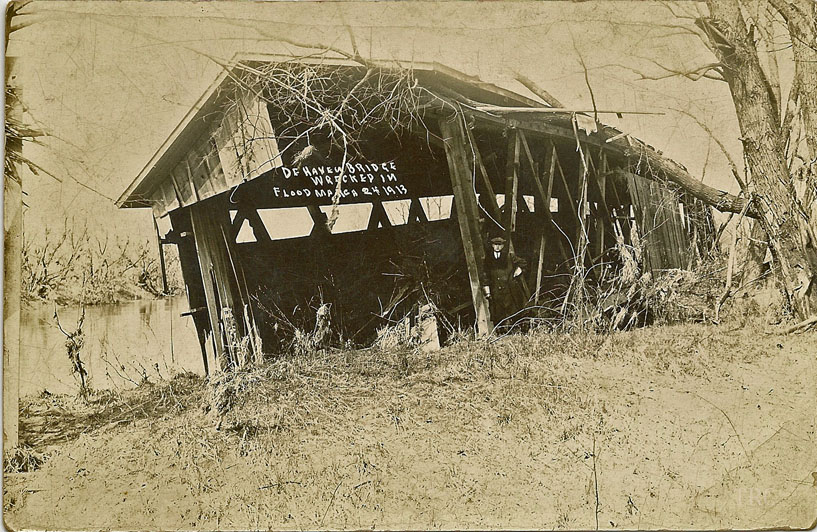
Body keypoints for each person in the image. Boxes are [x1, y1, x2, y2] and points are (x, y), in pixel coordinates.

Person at [482, 236, 526, 324]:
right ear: (492, 246)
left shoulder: (509, 256)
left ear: (502, 246)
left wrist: (519, 270)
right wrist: (487, 292)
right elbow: (485, 275)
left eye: (499, 245)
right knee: (498, 313)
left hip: (509, 289)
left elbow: (523, 263)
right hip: (496, 289)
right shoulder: (488, 259)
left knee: (513, 310)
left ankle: (515, 329)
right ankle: (501, 332)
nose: (497, 247)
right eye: (495, 244)